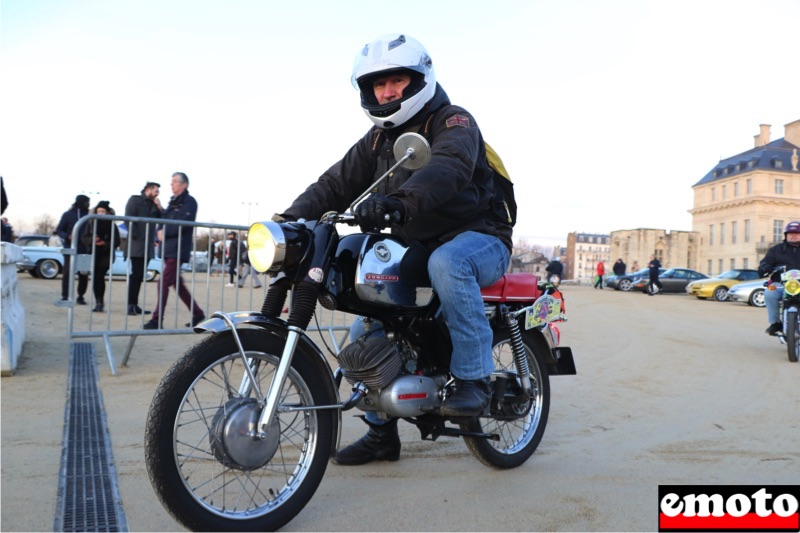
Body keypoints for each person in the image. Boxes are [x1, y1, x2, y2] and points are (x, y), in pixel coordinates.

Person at [274, 34, 514, 465]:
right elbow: (335, 183)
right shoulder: (376, 140)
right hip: (414, 242)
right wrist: (290, 220)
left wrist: (399, 203)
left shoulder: (453, 121)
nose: (387, 92)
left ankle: (474, 377)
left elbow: (449, 166)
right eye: (378, 85)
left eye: (397, 80)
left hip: (480, 237)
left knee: (448, 263)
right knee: (366, 323)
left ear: (419, 78)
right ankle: (381, 435)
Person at [143, 173, 205, 329]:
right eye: (171, 182)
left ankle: (157, 320)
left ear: (184, 185)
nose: (172, 184)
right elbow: (164, 220)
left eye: (175, 182)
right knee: (178, 284)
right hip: (168, 248)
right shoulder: (172, 202)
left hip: (178, 249)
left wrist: (165, 232)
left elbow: (184, 222)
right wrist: (158, 232)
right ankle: (197, 313)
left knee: (162, 282)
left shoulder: (189, 202)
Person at [124, 181, 162, 315]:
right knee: (136, 275)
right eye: (156, 190)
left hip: (148, 245)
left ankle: (135, 304)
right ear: (148, 189)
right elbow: (128, 218)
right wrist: (136, 236)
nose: (158, 193)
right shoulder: (135, 200)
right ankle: (130, 304)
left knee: (140, 275)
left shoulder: (153, 204)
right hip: (137, 243)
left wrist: (159, 207)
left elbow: (163, 219)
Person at [758, 221, 800, 336]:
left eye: (797, 233)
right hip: (780, 284)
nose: (793, 235)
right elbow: (765, 262)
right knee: (769, 293)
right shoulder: (776, 250)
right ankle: (775, 323)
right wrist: (765, 267)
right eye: (790, 233)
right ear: (786, 235)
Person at [81, 201, 121, 312]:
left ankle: (100, 301)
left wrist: (105, 243)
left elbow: (117, 241)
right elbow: (84, 238)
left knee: (99, 276)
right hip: (93, 253)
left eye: (103, 211)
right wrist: (92, 240)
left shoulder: (112, 225)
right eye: (98, 211)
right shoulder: (91, 223)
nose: (100, 213)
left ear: (107, 212)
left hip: (106, 254)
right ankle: (98, 302)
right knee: (95, 278)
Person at [55, 194, 90, 304]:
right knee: (67, 273)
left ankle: (81, 296)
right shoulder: (68, 215)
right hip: (70, 249)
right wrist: (67, 236)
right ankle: (65, 296)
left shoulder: (88, 216)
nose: (88, 204)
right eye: (86, 202)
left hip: (85, 249)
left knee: (83, 273)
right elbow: (59, 230)